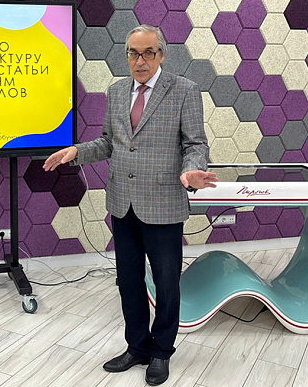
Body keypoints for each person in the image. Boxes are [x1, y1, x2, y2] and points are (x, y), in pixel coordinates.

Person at [44, 25, 217, 386]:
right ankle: (137, 346)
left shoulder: (184, 90)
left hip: (163, 203)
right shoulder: (117, 90)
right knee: (128, 281)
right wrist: (77, 151)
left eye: (148, 52)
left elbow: (195, 144)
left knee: (166, 284)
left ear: (161, 54)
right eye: (133, 53)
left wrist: (191, 171)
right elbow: (110, 142)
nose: (140, 60)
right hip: (123, 204)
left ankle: (161, 352)